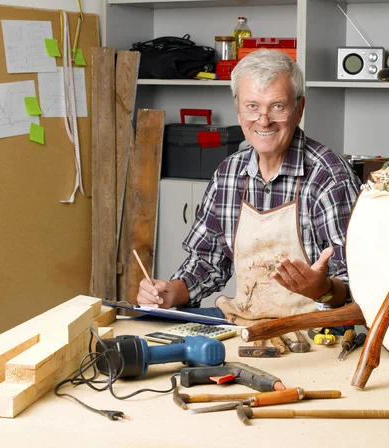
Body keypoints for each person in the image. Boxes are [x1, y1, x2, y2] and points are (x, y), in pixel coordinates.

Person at [136, 49, 362, 325]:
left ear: (299, 109)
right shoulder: (228, 174)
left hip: (314, 331)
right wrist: (170, 292)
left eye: (277, 106)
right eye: (252, 106)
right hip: (244, 322)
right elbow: (208, 263)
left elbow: (358, 288)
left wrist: (323, 289)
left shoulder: (329, 177)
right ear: (238, 108)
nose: (263, 120)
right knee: (147, 326)